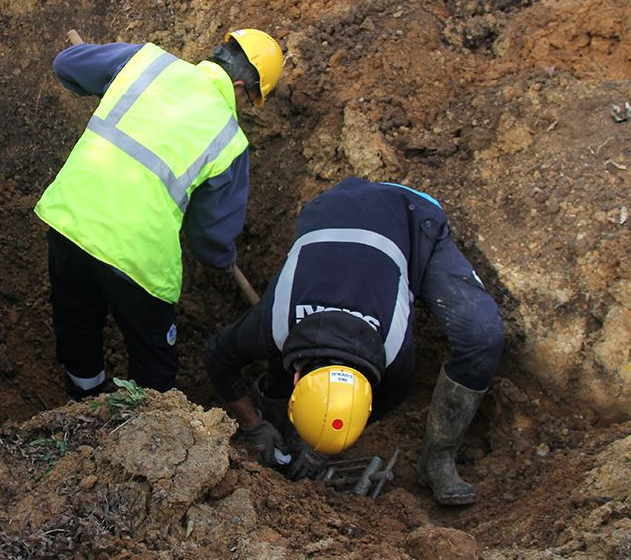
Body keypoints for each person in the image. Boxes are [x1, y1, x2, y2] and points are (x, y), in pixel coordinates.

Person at [203, 177, 505, 506]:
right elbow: (217, 356)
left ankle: (438, 459)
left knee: (482, 335)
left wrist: (323, 446)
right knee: (278, 356)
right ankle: (280, 415)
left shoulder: (398, 357)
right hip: (329, 210)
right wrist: (253, 425)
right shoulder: (271, 320)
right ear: (297, 378)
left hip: (411, 217)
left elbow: (381, 403)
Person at [34, 29, 284, 399]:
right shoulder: (229, 138)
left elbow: (66, 65)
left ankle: (82, 402)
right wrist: (222, 259)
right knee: (154, 359)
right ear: (237, 85)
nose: (244, 108)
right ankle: (143, 434)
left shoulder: (147, 62)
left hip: (70, 219)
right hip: (136, 254)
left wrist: (110, 82)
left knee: (78, 323)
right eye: (249, 100)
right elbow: (210, 236)